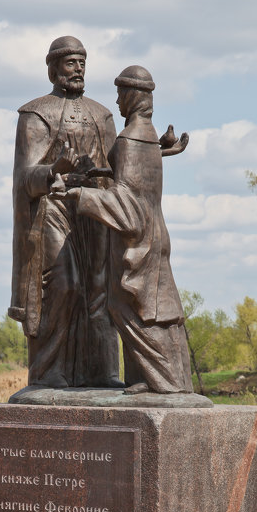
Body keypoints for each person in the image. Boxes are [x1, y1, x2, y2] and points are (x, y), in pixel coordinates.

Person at [52, 65, 193, 394]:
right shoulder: (145, 137)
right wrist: (94, 171)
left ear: (133, 96)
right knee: (148, 307)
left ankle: (166, 381)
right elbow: (130, 175)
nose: (117, 101)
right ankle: (146, 377)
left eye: (121, 94)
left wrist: (80, 196)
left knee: (130, 306)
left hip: (138, 241)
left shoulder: (131, 139)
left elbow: (128, 203)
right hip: (153, 236)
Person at [8, 36, 120, 387]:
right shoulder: (36, 113)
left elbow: (120, 164)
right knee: (65, 285)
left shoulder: (102, 115)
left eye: (82, 62)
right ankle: (48, 371)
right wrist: (54, 168)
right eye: (70, 63)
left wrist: (153, 151)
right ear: (54, 69)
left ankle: (102, 372)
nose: (78, 69)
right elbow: (24, 178)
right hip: (54, 209)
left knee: (101, 291)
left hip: (95, 210)